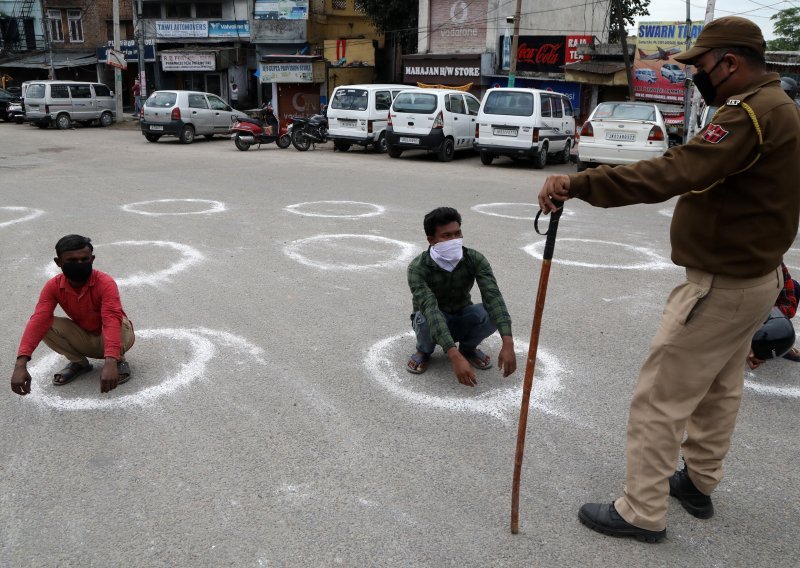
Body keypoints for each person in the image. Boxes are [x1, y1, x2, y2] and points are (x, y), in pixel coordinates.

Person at [538, 16, 800, 542]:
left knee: (660, 397)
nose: (693, 76)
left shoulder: (749, 112)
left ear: (730, 63)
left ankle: (641, 510)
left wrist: (582, 182)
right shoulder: (780, 107)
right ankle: (698, 484)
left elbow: (675, 171)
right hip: (756, 278)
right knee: (719, 389)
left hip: (722, 286)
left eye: (700, 66)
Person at [11, 235, 135, 396]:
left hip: (117, 335)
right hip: (87, 335)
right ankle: (79, 364)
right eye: (72, 260)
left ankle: (119, 360)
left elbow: (111, 320)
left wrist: (110, 361)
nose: (79, 264)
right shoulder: (53, 287)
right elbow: (38, 320)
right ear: (58, 262)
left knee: (116, 319)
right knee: (44, 323)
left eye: (85, 259)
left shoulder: (105, 283)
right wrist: (20, 364)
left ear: (92, 259)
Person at [406, 207, 517, 386]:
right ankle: (424, 351)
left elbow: (493, 296)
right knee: (424, 317)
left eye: (458, 233)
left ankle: (468, 348)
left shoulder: (475, 259)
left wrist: (508, 341)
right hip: (432, 318)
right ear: (431, 240)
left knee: (491, 312)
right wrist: (453, 354)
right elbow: (430, 308)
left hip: (461, 314)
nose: (454, 240)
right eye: (446, 236)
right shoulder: (417, 268)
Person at [747, 263, 800, 368]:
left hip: (762, 307)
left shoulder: (773, 261)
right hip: (738, 304)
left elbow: (789, 303)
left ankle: (775, 340)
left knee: (794, 286)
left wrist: (772, 316)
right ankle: (745, 344)